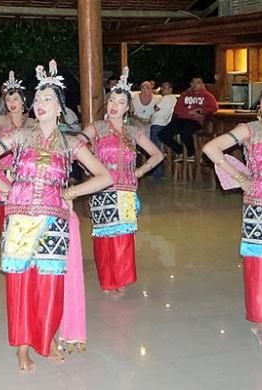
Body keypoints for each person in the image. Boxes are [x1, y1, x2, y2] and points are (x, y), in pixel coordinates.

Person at [0, 59, 113, 371]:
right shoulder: (20, 137)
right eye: (37, 98)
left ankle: (46, 337)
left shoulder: (71, 143)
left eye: (47, 99)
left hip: (54, 220)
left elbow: (105, 176)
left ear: (59, 107)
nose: (40, 103)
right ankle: (23, 347)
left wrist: (72, 193)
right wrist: (4, 187)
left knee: (49, 282)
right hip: (20, 218)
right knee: (20, 283)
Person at [202, 63, 262, 345]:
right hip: (260, 205)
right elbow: (211, 148)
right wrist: (241, 177)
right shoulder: (249, 129)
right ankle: (259, 321)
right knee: (261, 264)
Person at [81, 67, 164, 298]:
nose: (114, 105)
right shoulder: (95, 128)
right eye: (112, 100)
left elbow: (157, 155)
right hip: (102, 188)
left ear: (128, 107)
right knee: (104, 236)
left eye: (120, 102)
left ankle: (122, 278)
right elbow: (77, 146)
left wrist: (139, 172)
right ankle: (108, 280)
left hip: (126, 189)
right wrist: (87, 165)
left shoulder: (133, 131)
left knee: (123, 237)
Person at [0, 71, 36, 233]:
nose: (12, 103)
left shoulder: (32, 123)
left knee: (26, 217)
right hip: (5, 173)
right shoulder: (1, 120)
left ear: (23, 100)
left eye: (15, 99)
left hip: (26, 174)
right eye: (8, 100)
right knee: (6, 218)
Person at [159, 76, 218, 157]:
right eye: (193, 82)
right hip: (181, 119)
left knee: (186, 132)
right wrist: (189, 113)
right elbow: (177, 110)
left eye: (198, 82)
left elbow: (214, 107)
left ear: (202, 84)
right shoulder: (184, 95)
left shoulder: (207, 96)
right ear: (190, 84)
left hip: (195, 121)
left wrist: (200, 111)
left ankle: (191, 153)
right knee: (163, 134)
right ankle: (180, 150)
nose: (195, 84)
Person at [149, 81, 177, 179]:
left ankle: (157, 173)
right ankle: (158, 172)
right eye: (163, 87)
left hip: (157, 124)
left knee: (155, 149)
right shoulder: (173, 99)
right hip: (164, 124)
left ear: (170, 89)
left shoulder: (166, 98)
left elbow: (156, 108)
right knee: (158, 148)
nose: (163, 90)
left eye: (165, 88)